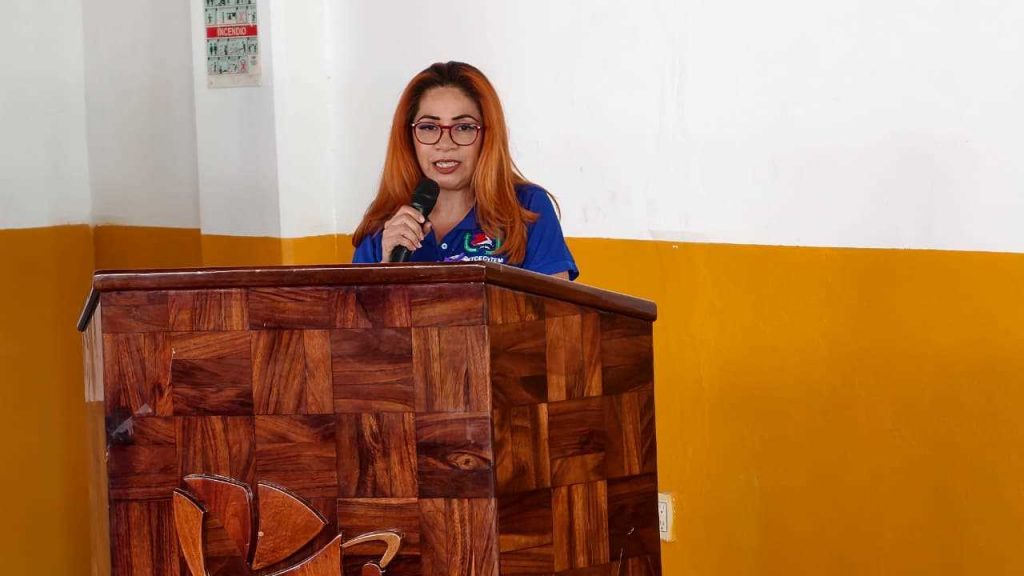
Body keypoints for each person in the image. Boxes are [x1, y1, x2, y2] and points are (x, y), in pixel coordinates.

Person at [352, 61, 578, 280]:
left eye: (464, 127)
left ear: (487, 135)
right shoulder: (385, 224)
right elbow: (356, 306)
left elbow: (556, 305)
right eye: (429, 127)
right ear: (408, 137)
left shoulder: (527, 207)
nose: (445, 144)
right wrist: (386, 266)